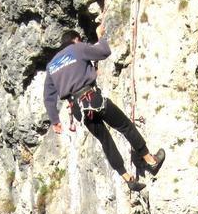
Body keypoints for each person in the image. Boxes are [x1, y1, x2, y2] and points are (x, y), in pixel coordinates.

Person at [43, 26, 165, 192]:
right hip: (91, 98)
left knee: (105, 141)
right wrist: (101, 36)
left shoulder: (51, 66)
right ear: (75, 39)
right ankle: (150, 161)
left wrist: (55, 121)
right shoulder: (77, 49)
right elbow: (104, 51)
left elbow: (49, 97)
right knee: (124, 126)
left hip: (78, 110)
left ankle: (128, 179)